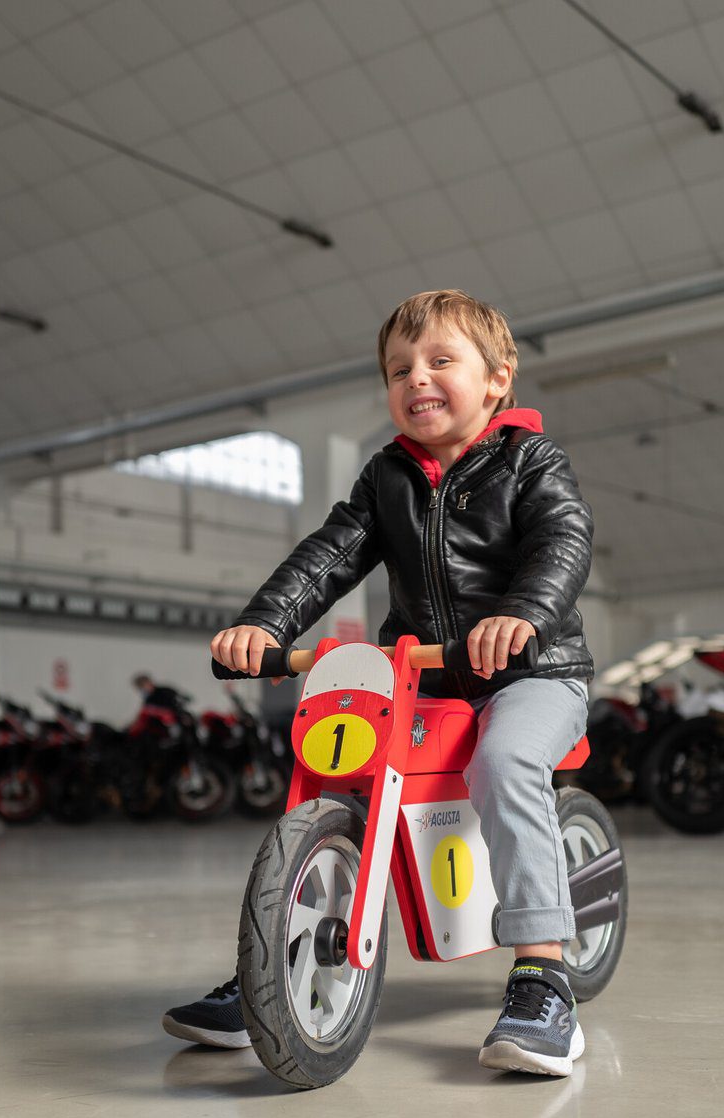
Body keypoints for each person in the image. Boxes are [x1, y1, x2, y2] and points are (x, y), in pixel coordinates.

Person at [161, 289, 596, 1076]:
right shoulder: (387, 476)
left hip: (533, 671)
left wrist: (522, 615)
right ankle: (274, 970)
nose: (416, 379)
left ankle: (543, 977)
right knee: (346, 769)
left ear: (498, 379)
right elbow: (330, 553)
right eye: (400, 369)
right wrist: (267, 622)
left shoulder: (531, 460)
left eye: (439, 361)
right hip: (425, 675)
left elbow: (562, 539)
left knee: (503, 763)